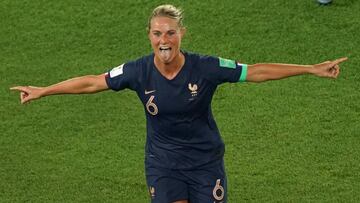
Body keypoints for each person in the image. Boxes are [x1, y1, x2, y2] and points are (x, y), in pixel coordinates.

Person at [11, 4, 347, 203]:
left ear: (181, 33)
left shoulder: (206, 67)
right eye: (157, 34)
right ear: (149, 36)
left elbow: (255, 71)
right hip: (164, 163)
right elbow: (92, 82)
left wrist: (309, 69)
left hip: (205, 162)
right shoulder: (137, 71)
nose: (164, 40)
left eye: (170, 33)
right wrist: (44, 90)